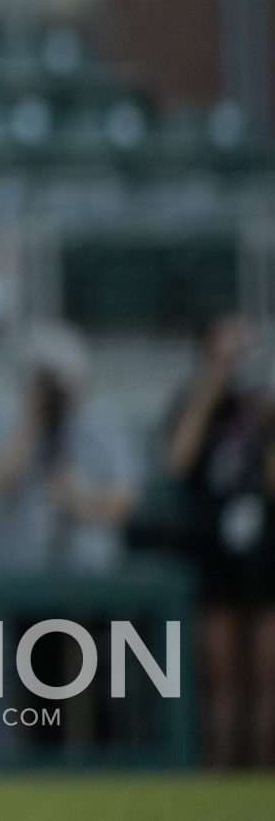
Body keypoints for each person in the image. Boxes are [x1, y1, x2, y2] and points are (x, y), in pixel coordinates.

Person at [162, 314, 275, 768]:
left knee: (267, 675)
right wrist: (209, 394)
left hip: (266, 550)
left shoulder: (264, 409)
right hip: (212, 549)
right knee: (220, 675)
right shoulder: (192, 403)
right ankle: (221, 766)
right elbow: (177, 463)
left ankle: (265, 769)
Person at [0, 324, 135, 573]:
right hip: (18, 567)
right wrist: (30, 423)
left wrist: (78, 499)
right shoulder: (6, 420)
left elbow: (123, 504)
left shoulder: (104, 425)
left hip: (90, 569)